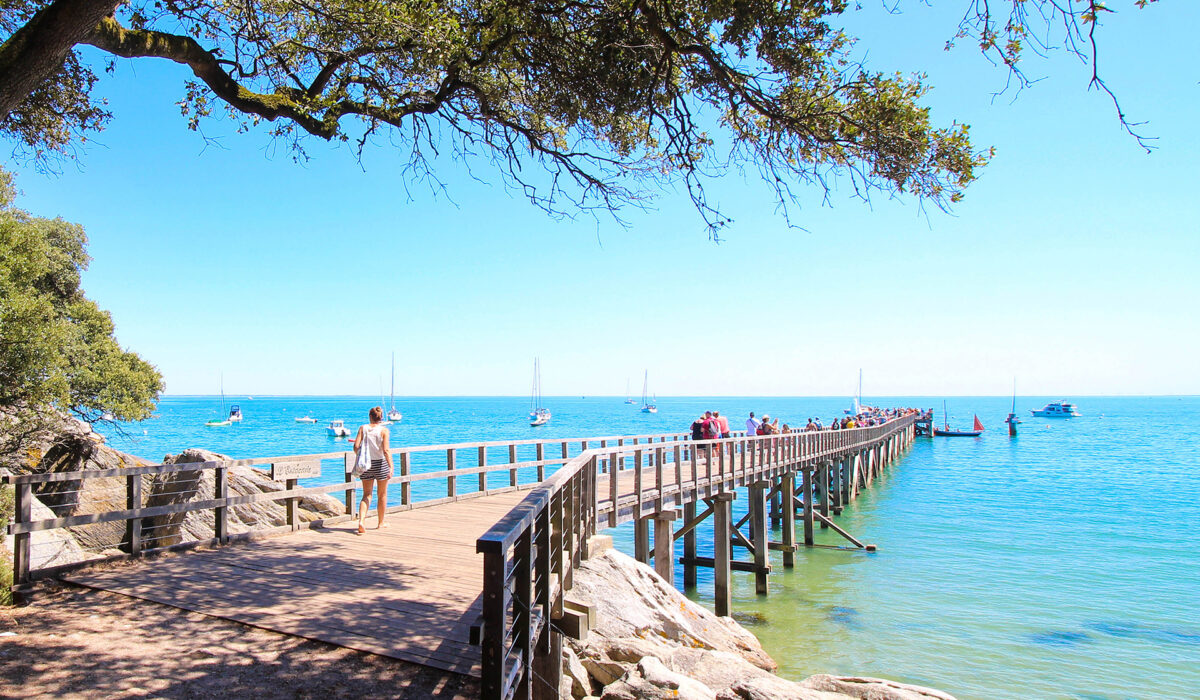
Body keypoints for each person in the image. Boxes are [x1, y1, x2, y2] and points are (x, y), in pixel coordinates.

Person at [353, 406, 394, 534]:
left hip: (366, 464)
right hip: (380, 463)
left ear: (370, 416)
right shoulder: (384, 431)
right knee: (382, 494)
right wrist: (391, 466)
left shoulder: (362, 428)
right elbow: (386, 450)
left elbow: (356, 446)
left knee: (366, 494)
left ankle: (361, 521)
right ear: (381, 418)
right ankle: (380, 523)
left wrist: (360, 456)